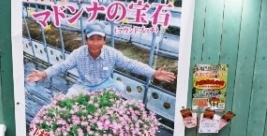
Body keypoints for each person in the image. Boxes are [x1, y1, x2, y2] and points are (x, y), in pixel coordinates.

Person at [26, 23, 176, 96]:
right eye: (92, 39)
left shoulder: (112, 53)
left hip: (105, 85)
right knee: (69, 98)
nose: (95, 43)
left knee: (120, 89)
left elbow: (131, 64)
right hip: (84, 85)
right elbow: (62, 66)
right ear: (86, 40)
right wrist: (43, 74)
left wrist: (153, 73)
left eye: (99, 39)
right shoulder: (78, 53)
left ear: (104, 40)